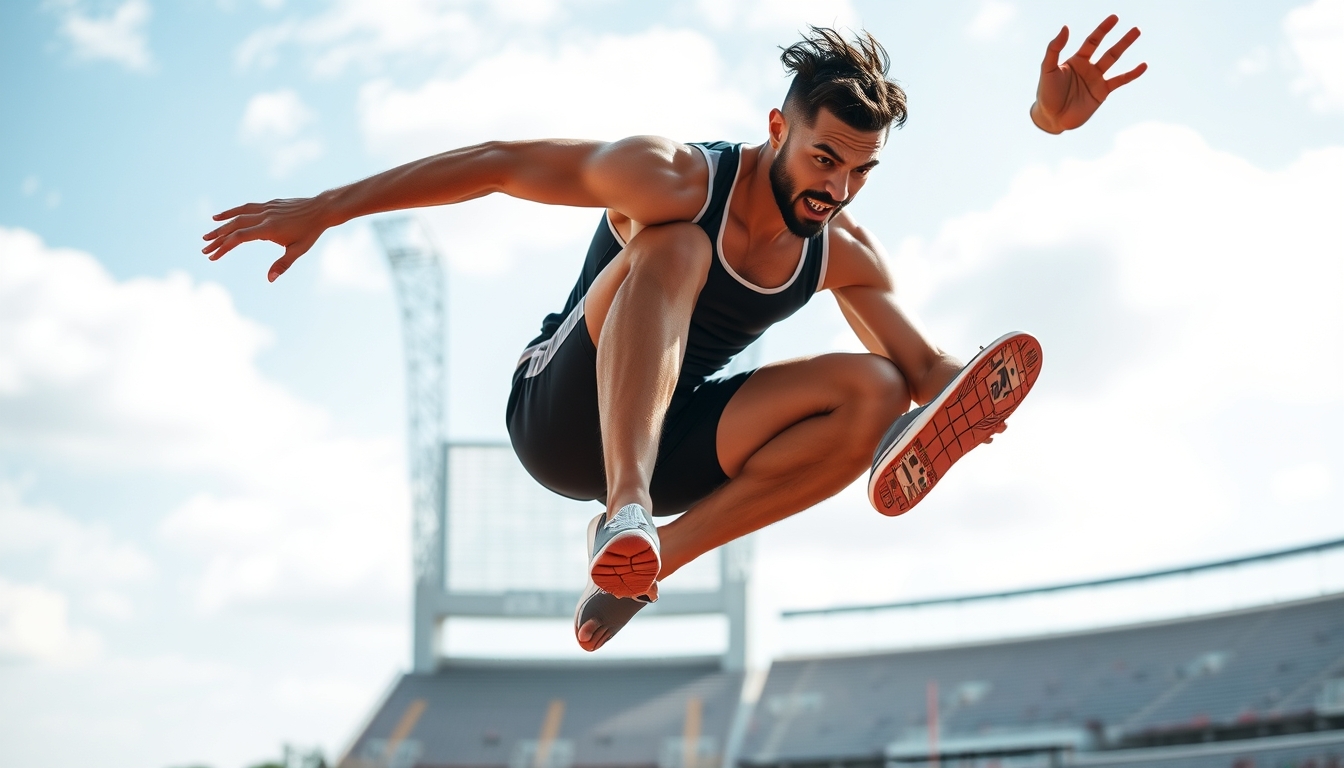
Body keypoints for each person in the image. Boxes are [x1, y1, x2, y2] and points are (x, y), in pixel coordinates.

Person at [203, 17, 1145, 651]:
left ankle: (638, 567)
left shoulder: (840, 245)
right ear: (777, 127)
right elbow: (498, 163)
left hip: (681, 434)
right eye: (824, 159)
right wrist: (325, 208)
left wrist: (969, 400)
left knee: (875, 393)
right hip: (563, 412)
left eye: (861, 172)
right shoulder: (675, 175)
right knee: (676, 255)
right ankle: (625, 511)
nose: (837, 189)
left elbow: (928, 371)